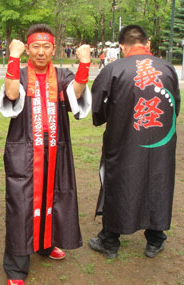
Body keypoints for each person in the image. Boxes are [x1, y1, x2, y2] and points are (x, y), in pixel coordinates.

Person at [0, 24, 92, 284]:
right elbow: (10, 93)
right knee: (21, 204)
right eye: (35, 47)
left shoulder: (62, 75)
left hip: (55, 149)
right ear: (28, 48)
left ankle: (46, 243)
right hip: (24, 149)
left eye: (46, 46)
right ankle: (17, 265)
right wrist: (13, 58)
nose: (41, 52)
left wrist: (84, 64)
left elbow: (76, 94)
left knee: (54, 198)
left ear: (54, 49)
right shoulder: (20, 72)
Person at [90, 25, 181, 259]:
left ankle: (110, 240)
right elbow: (175, 107)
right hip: (161, 140)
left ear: (122, 46)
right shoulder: (168, 68)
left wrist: (109, 118)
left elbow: (98, 109)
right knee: (158, 181)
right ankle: (155, 239)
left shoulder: (114, 69)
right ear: (147, 43)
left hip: (124, 140)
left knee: (119, 181)